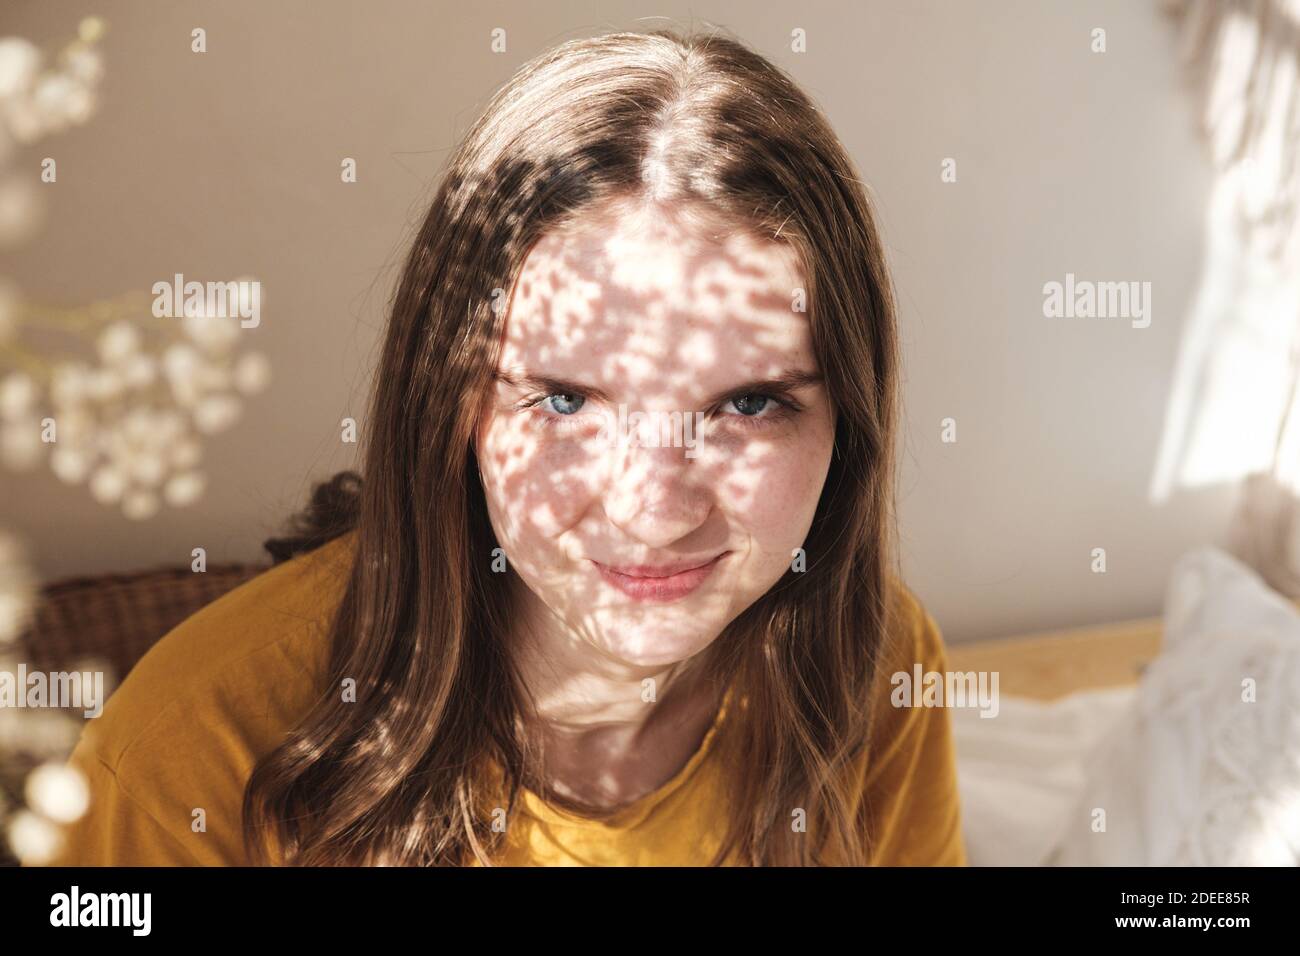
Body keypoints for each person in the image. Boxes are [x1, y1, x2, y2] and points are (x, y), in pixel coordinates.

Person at [44, 27, 966, 866]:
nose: (652, 510)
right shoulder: (184, 757)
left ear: (848, 417)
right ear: (452, 409)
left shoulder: (871, 661)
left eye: (750, 404)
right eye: (566, 400)